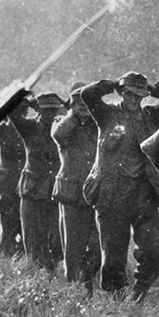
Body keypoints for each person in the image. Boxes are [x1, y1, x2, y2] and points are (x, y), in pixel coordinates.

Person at [75, 72, 159, 300]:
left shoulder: (151, 115)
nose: (132, 99)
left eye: (138, 95)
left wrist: (154, 89)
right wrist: (113, 84)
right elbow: (87, 94)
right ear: (122, 92)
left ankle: (138, 294)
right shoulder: (107, 113)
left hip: (143, 195)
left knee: (154, 253)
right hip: (111, 194)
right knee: (113, 258)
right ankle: (117, 302)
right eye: (128, 93)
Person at [51, 82, 102, 287]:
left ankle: (88, 279)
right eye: (76, 102)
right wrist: (73, 114)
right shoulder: (62, 122)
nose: (82, 106)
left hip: (96, 193)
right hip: (71, 194)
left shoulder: (98, 124)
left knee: (99, 248)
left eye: (85, 101)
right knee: (73, 248)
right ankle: (75, 288)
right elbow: (58, 135)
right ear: (70, 104)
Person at [10, 91, 65, 272]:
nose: (50, 114)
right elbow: (12, 112)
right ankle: (38, 273)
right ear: (38, 110)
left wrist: (64, 103)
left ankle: (52, 269)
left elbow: (84, 116)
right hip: (32, 190)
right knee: (33, 236)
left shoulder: (63, 126)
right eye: (46, 110)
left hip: (55, 190)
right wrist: (30, 102)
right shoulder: (28, 127)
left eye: (54, 110)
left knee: (57, 237)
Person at [0, 95, 26, 257]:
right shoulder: (0, 129)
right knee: (7, 225)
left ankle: (21, 258)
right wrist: (2, 103)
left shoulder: (28, 128)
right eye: (16, 110)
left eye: (23, 109)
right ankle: (5, 256)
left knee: (23, 225)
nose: (20, 113)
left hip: (25, 185)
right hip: (6, 185)